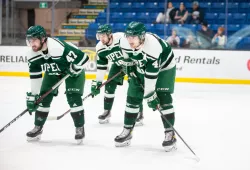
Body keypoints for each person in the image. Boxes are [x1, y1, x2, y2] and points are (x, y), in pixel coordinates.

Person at [115, 21, 177, 152]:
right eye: (128, 36)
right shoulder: (124, 41)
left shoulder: (153, 47)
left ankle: (170, 132)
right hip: (141, 64)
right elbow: (127, 58)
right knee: (132, 96)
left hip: (165, 67)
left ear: (142, 37)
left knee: (163, 97)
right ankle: (127, 130)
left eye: (134, 37)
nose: (130, 40)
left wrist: (150, 96)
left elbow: (150, 77)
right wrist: (129, 67)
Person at [25, 25, 89, 144]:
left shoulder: (56, 47)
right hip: (54, 71)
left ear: (43, 39)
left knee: (73, 96)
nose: (31, 43)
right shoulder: (32, 55)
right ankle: (38, 127)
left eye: (34, 40)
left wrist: (75, 68)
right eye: (29, 40)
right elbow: (35, 77)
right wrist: (34, 96)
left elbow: (84, 58)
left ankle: (79, 127)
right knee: (43, 97)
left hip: (73, 71)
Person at [91, 24, 144, 125]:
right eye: (99, 36)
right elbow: (102, 66)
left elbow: (135, 49)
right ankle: (107, 111)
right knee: (109, 84)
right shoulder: (99, 47)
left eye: (103, 36)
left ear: (109, 35)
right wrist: (97, 82)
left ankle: (139, 113)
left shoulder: (121, 38)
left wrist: (131, 64)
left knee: (135, 86)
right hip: (118, 65)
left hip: (132, 63)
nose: (101, 38)